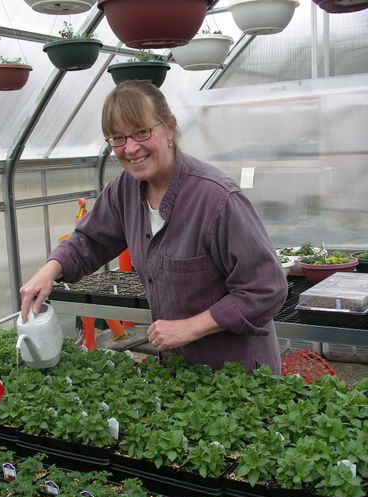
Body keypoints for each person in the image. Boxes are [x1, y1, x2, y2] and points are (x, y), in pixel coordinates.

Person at [20, 80, 288, 373]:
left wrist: (191, 327)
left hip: (237, 376)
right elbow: (90, 240)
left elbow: (266, 289)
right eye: (118, 139)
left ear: (169, 128)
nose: (131, 148)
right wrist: (50, 270)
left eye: (141, 132)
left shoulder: (217, 199)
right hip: (178, 372)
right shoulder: (124, 190)